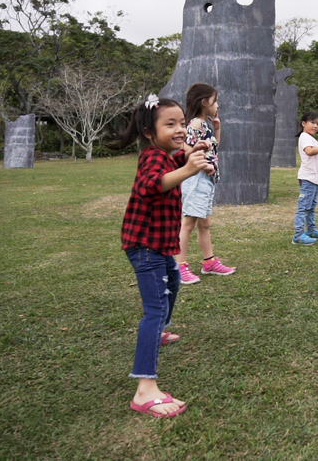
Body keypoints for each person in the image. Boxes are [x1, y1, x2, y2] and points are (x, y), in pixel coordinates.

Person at [113, 94, 213, 417]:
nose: (180, 129)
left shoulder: (167, 153)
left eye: (182, 123)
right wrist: (188, 169)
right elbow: (154, 185)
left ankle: (160, 331)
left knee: (174, 280)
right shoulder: (152, 158)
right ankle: (145, 390)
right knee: (153, 309)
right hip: (145, 247)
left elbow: (180, 154)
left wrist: (193, 151)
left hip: (159, 246)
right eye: (170, 124)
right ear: (148, 132)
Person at [176, 83, 236, 284]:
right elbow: (187, 151)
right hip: (196, 179)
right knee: (188, 223)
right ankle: (179, 266)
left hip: (206, 180)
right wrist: (203, 167)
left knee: (204, 222)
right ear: (204, 102)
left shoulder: (204, 125)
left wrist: (217, 129)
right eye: (215, 100)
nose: (217, 104)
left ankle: (209, 262)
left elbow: (212, 149)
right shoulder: (194, 124)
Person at [293, 112, 318, 245]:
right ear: (303, 123)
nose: (315, 126)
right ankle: (298, 235)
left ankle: (311, 230)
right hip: (308, 178)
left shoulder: (311, 138)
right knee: (303, 207)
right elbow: (309, 151)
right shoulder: (305, 137)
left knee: (311, 206)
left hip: (314, 179)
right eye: (312, 122)